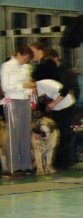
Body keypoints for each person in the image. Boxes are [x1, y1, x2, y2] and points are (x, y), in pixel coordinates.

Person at [30, 43, 77, 169]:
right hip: (56, 106)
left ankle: (63, 162)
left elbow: (65, 90)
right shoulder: (41, 85)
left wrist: (53, 103)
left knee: (63, 133)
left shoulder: (46, 81)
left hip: (64, 105)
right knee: (56, 134)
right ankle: (54, 162)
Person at [1, 46, 35, 175]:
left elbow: (28, 84)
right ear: (18, 54)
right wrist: (23, 85)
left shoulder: (26, 67)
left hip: (25, 100)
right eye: (24, 58)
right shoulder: (7, 66)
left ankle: (26, 165)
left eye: (28, 59)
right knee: (13, 134)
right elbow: (5, 87)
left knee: (26, 132)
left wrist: (30, 89)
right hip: (11, 100)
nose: (25, 61)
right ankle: (13, 167)